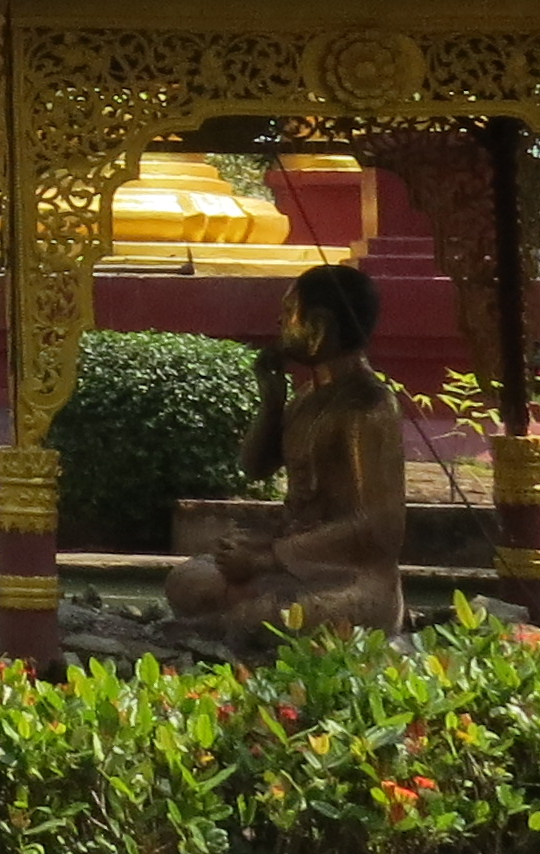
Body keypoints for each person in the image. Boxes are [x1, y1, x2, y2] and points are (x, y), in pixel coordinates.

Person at [161, 260, 406, 639]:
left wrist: (266, 557)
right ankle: (223, 624)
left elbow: (378, 526)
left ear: (320, 327)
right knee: (187, 580)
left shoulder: (367, 406)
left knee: (272, 615)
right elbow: (255, 468)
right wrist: (272, 402)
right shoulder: (309, 397)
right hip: (294, 565)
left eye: (289, 313)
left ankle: (218, 629)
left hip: (353, 576)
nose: (279, 324)